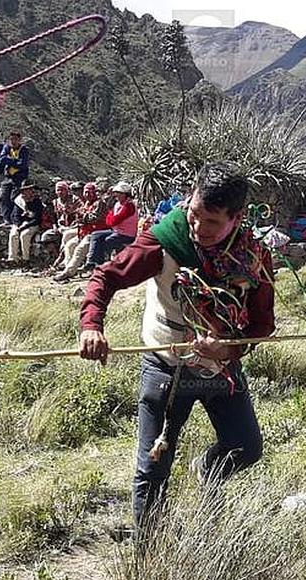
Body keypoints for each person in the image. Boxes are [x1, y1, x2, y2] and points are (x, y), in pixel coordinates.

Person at [79, 162, 274, 529]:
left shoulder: (252, 257)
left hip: (220, 369)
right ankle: (148, 550)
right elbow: (107, 277)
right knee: (153, 467)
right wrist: (92, 326)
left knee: (245, 447)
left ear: (237, 218)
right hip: (165, 364)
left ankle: (208, 469)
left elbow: (262, 324)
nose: (198, 228)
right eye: (195, 215)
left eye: (212, 222)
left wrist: (228, 350)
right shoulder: (164, 241)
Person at [53, 182, 108, 282]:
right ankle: (67, 267)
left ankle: (68, 272)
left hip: (95, 233)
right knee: (70, 245)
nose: (87, 195)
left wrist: (82, 215)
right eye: (85, 192)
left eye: (90, 192)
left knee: (79, 249)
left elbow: (94, 218)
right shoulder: (87, 203)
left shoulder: (99, 203)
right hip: (84, 232)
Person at [83, 181, 138, 272]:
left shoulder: (129, 206)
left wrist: (111, 218)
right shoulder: (118, 204)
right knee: (96, 235)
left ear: (125, 194)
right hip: (117, 231)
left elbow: (114, 220)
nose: (116, 195)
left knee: (107, 241)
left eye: (119, 193)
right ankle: (91, 261)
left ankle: (102, 264)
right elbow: (109, 219)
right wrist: (111, 218)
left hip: (126, 234)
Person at [7, 181, 51, 267]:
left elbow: (37, 218)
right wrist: (19, 225)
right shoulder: (19, 201)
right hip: (20, 223)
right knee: (13, 235)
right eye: (25, 190)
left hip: (32, 224)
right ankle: (12, 258)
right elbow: (15, 215)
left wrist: (25, 226)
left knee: (25, 235)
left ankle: (25, 258)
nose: (27, 192)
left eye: (29, 190)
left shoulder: (36, 202)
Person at [0, 130, 30, 225]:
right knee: (3, 197)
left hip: (19, 177)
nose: (13, 141)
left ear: (19, 140)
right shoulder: (7, 148)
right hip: (8, 177)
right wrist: (15, 161)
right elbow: (1, 159)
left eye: (15, 139)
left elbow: (22, 164)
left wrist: (9, 160)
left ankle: (15, 219)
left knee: (14, 198)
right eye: (11, 139)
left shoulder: (24, 150)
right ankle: (6, 219)